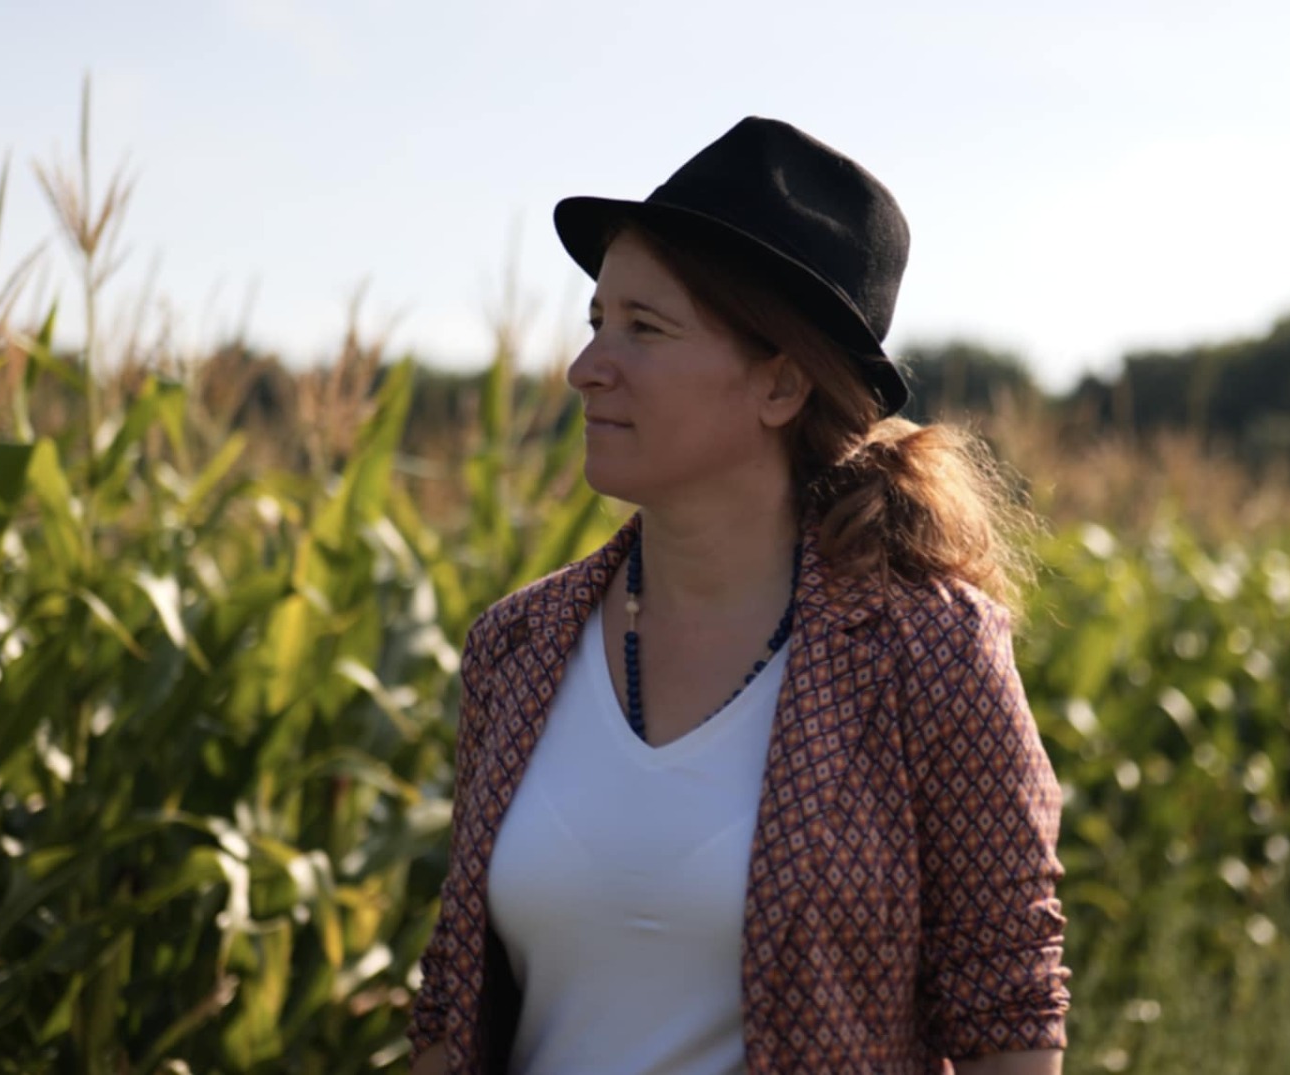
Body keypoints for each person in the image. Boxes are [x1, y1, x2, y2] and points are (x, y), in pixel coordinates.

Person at [407, 116, 1070, 1075]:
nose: (586, 368)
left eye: (645, 328)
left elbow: (1008, 1006)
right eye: (596, 322)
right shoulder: (519, 645)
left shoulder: (925, 652)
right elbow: (453, 998)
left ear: (781, 386)